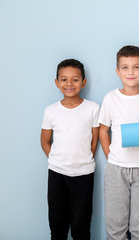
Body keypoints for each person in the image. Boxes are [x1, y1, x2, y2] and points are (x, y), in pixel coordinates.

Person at [98, 45, 139, 240]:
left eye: (136, 67)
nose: (131, 72)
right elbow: (103, 130)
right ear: (118, 72)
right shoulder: (111, 98)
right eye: (125, 67)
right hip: (116, 168)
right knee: (115, 225)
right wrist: (111, 156)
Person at [40, 59, 100, 240]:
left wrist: (80, 159)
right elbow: (44, 141)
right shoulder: (51, 111)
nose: (69, 84)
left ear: (83, 82)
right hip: (57, 173)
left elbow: (94, 140)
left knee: (80, 227)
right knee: (57, 226)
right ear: (57, 83)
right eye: (64, 79)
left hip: (84, 174)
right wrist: (58, 159)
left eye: (75, 79)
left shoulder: (93, 108)